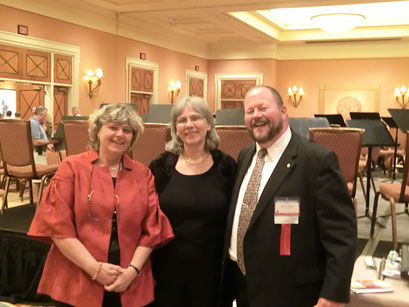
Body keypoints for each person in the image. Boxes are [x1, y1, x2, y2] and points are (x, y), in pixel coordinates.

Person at [222, 86, 357, 307]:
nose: (256, 115)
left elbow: (341, 235)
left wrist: (333, 293)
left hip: (291, 291)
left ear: (284, 111)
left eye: (263, 108)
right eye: (250, 111)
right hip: (245, 286)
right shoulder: (246, 155)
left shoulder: (317, 160)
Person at [28, 104, 174, 307]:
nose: (120, 135)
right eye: (113, 127)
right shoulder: (71, 168)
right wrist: (95, 270)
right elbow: (57, 226)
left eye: (127, 130)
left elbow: (152, 229)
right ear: (98, 130)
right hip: (77, 277)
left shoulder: (143, 174)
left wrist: (132, 271)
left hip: (130, 280)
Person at [149, 96, 236, 307]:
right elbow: (148, 216)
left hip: (212, 271)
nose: (189, 125)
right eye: (182, 120)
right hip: (166, 270)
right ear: (175, 128)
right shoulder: (161, 166)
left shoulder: (227, 166)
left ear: (209, 123)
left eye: (196, 118)